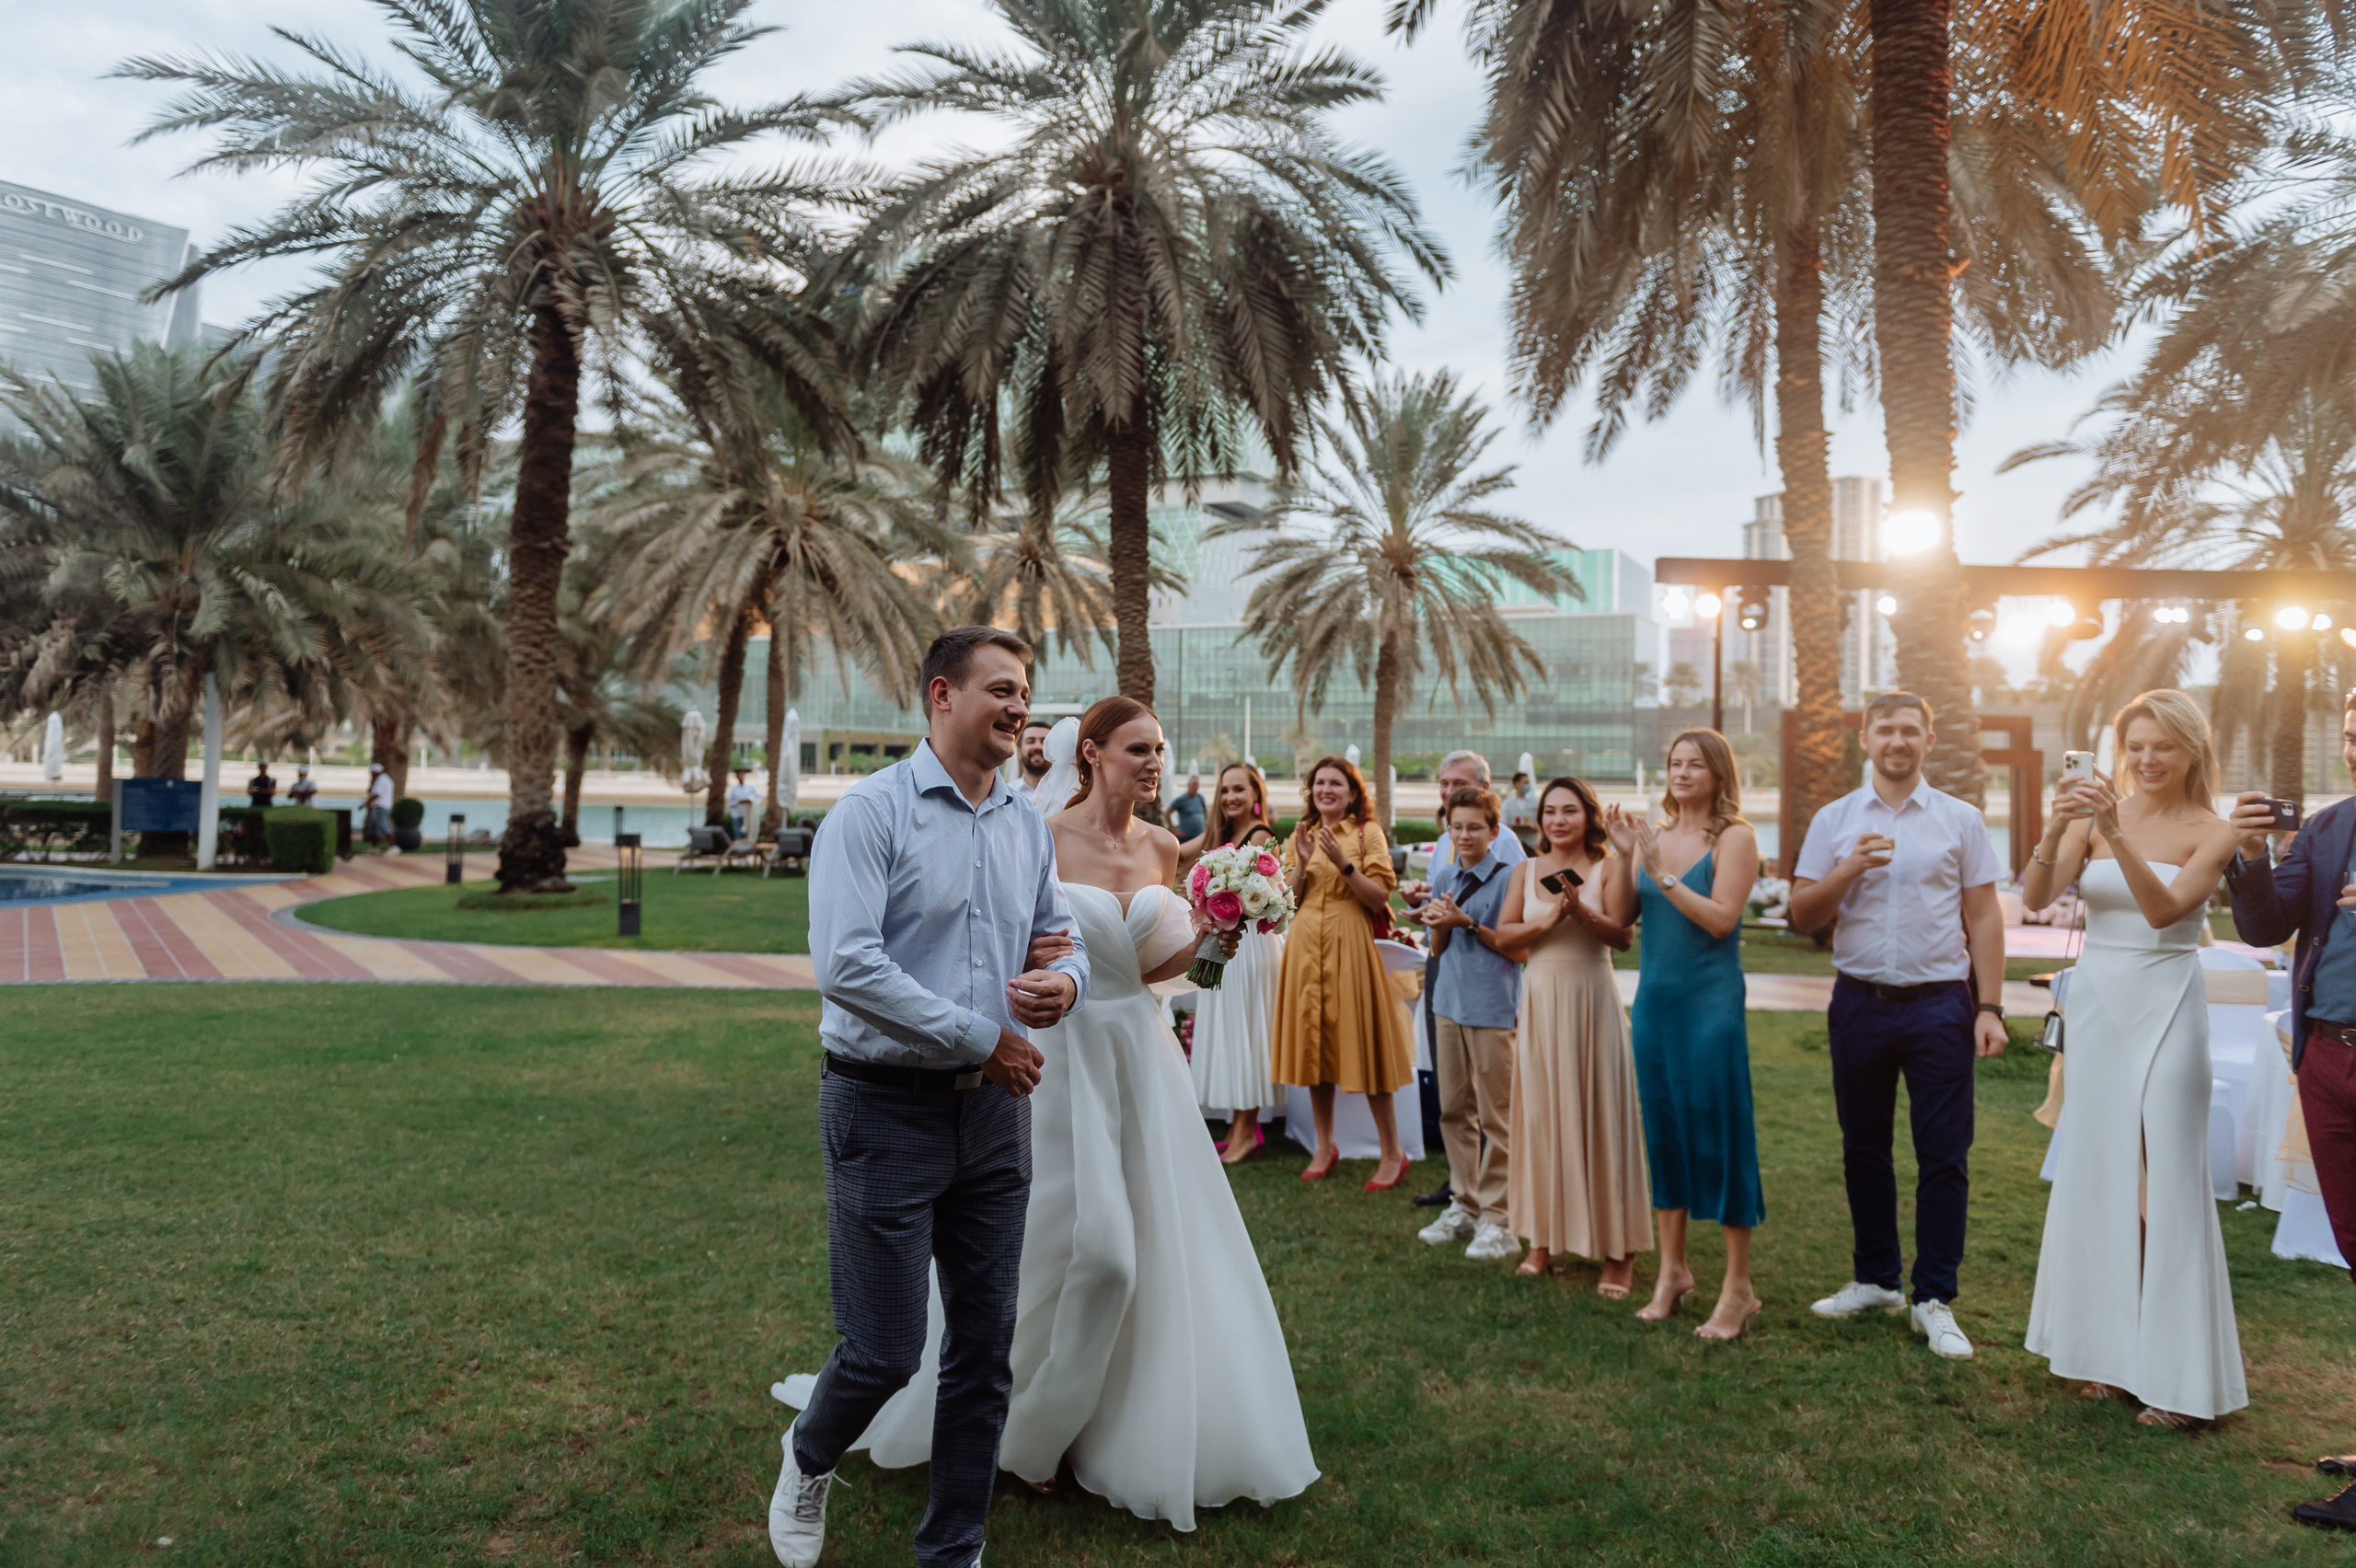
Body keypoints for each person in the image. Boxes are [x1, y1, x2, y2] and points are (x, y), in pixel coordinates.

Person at [789, 696, 1318, 1529]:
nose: (1154, 763)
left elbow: (1162, 972)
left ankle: (1079, 1426)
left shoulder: (1165, 844)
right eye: (1138, 749)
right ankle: (1024, 1432)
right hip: (1054, 1060)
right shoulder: (1040, 832)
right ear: (1092, 753)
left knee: (1139, 1250)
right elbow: (999, 936)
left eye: (1160, 750)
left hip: (1139, 1060)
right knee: (1078, 1254)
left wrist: (1222, 937)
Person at [771, 627, 1089, 1568]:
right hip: (881, 1108)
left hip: (994, 1118)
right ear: (941, 696)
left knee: (985, 1355)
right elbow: (846, 966)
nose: (1020, 706)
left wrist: (1063, 985)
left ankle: (952, 1550)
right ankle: (810, 1451)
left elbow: (1058, 936)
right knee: (882, 1350)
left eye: (1025, 689)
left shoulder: (1026, 821)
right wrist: (984, 1036)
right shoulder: (870, 814)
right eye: (1001, 688)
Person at [2019, 689, 2246, 1430]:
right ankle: (2110, 1358)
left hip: (2169, 1005)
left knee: (2167, 1182)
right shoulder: (2091, 813)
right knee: (2103, 1173)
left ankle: (2181, 1382)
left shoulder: (2214, 829)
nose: (2148, 760)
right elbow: (2034, 895)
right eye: (2136, 746)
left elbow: (2164, 911)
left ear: (2193, 753)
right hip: (2100, 1006)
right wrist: (2060, 823)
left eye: (2164, 747)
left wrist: (2113, 834)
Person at [1786, 692, 2006, 1361]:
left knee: (1944, 1154)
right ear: (1866, 737)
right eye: (1886, 729)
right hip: (1858, 1001)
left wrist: (1989, 1006)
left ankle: (1933, 1297)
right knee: (1864, 1146)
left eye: (1911, 729)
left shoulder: (1959, 819)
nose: (1898, 740)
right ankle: (1877, 1279)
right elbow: (1801, 913)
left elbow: (1986, 916)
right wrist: (1849, 867)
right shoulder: (1834, 819)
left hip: (1941, 1003)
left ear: (1929, 739)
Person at [2224, 690, 2356, 1525]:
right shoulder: (2330, 828)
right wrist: (2247, 854)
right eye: (2350, 733)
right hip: (2331, 1063)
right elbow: (2265, 926)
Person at [1602, 729, 1764, 1340]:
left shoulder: (1736, 838)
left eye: (1696, 764)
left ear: (1719, 773)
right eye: (1675, 763)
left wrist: (1664, 878)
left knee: (1720, 1135)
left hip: (1711, 1008)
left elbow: (1721, 920)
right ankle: (1672, 1273)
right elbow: (1620, 921)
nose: (1683, 772)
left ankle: (1739, 1287)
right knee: (1664, 1134)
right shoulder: (1656, 838)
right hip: (1655, 1008)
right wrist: (1625, 857)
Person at [1491, 776, 1650, 1295]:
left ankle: (1619, 1251)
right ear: (1539, 820)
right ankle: (1542, 1239)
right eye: (1550, 812)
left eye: (1570, 811)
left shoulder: (1608, 866)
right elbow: (1504, 935)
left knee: (1601, 1113)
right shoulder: (1525, 870)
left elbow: (1623, 935)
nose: (1559, 820)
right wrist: (1549, 922)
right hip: (1539, 1000)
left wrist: (1580, 910)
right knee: (1541, 1115)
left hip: (1590, 999)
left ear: (1589, 816)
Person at [1275, 755, 1414, 1189]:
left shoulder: (1366, 833)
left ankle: (1392, 1151)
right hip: (1303, 946)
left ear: (1353, 793)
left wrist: (1343, 863)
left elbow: (1377, 898)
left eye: (1336, 783)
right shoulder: (1301, 833)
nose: (1326, 790)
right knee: (1314, 1047)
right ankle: (1324, 1143)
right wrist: (1300, 863)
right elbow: (1285, 904)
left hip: (1349, 944)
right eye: (1319, 783)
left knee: (1364, 1044)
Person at [1401, 750, 1526, 1206]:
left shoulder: (1510, 860)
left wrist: (1464, 922)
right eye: (1443, 783)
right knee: (1453, 1104)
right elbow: (1442, 924)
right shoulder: (1446, 857)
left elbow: (1517, 940)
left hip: (1490, 993)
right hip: (1446, 987)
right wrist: (1429, 913)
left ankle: (1497, 1205)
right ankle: (1463, 1193)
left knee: (1495, 1108)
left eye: (1474, 827)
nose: (1463, 833)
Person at [1183, 762, 1286, 1163]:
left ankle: (1248, 1129)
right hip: (1223, 945)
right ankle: (1237, 1127)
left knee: (1247, 1033)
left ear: (1256, 794)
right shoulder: (1219, 835)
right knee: (1228, 1034)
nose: (1230, 798)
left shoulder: (1262, 837)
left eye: (1239, 790)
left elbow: (1272, 896)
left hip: (1250, 948)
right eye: (1225, 790)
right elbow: (1177, 852)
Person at [1012, 718, 1055, 799]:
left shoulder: (1069, 794)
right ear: (1019, 752)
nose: (1038, 747)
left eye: (1044, 742)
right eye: (1030, 741)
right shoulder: (1007, 794)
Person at [1501, 771, 1539, 853]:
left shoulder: (1536, 802)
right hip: (1514, 845)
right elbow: (1503, 824)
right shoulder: (1506, 804)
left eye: (1528, 783)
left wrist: (1536, 827)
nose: (1527, 785)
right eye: (1525, 783)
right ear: (1516, 784)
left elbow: (1540, 822)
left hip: (1532, 845)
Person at [1168, 768, 1207, 843]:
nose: (1195, 787)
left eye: (1197, 785)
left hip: (1199, 835)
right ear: (1188, 785)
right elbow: (1167, 813)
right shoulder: (1181, 799)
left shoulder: (1200, 798)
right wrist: (1174, 830)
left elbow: (1205, 812)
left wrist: (1205, 826)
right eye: (1193, 784)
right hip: (1186, 837)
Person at [363, 764, 395, 847]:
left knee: (383, 826)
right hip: (382, 806)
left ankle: (394, 846)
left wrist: (365, 804)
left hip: (381, 807)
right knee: (375, 828)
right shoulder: (386, 779)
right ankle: (374, 847)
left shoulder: (381, 780)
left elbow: (376, 794)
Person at [726, 766, 761, 839]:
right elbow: (729, 802)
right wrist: (738, 802)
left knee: (749, 835)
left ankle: (748, 849)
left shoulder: (751, 787)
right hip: (737, 815)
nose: (740, 776)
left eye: (742, 774)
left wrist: (751, 801)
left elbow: (758, 798)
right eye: (739, 774)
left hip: (749, 815)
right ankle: (740, 849)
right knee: (738, 834)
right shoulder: (733, 789)